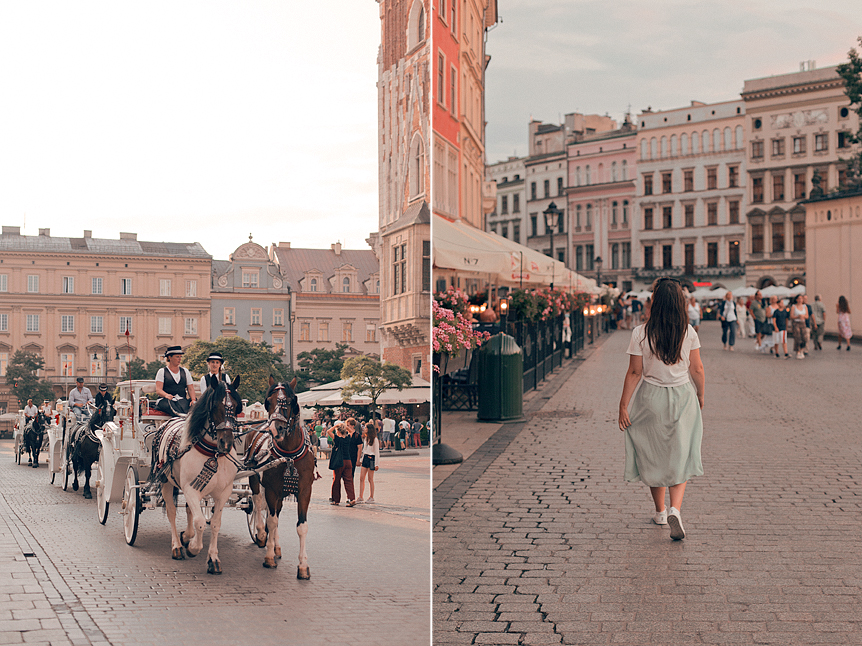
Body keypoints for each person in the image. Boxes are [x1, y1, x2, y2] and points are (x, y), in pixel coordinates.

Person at [618, 277, 705, 541]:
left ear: (655, 301)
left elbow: (634, 372)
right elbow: (697, 368)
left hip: (651, 399)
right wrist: (701, 394)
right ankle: (676, 509)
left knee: (653, 452)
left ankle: (660, 511)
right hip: (683, 397)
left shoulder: (641, 333)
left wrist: (623, 405)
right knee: (681, 452)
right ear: (680, 302)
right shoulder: (688, 332)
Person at [154, 346, 197, 416]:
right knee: (170, 405)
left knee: (190, 405)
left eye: (180, 357)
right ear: (169, 357)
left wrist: (193, 399)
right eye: (177, 357)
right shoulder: (162, 371)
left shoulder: (185, 371)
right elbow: (158, 390)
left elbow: (190, 388)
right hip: (166, 400)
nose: (180, 359)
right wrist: (166, 395)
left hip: (181, 400)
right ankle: (181, 417)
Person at [327, 422, 356, 507]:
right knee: (348, 480)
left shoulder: (337, 439)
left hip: (339, 462)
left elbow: (328, 432)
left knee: (336, 480)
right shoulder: (347, 439)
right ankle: (352, 498)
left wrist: (335, 426)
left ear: (338, 432)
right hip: (348, 461)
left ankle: (336, 500)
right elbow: (352, 432)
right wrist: (346, 427)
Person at [357, 421, 380, 503]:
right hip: (366, 457)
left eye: (366, 428)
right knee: (361, 478)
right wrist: (361, 459)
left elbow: (377, 452)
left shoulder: (375, 439)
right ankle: (360, 496)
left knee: (370, 478)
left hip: (372, 458)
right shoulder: (366, 438)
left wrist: (377, 464)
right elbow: (364, 450)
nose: (364, 429)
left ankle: (371, 496)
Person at [789, 294, 808, 360]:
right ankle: (798, 351)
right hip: (796, 323)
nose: (800, 300)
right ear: (796, 299)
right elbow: (791, 316)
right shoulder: (793, 306)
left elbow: (807, 316)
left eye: (801, 299)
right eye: (799, 299)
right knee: (797, 337)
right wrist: (797, 316)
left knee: (804, 337)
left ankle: (802, 349)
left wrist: (803, 316)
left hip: (802, 323)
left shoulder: (804, 306)